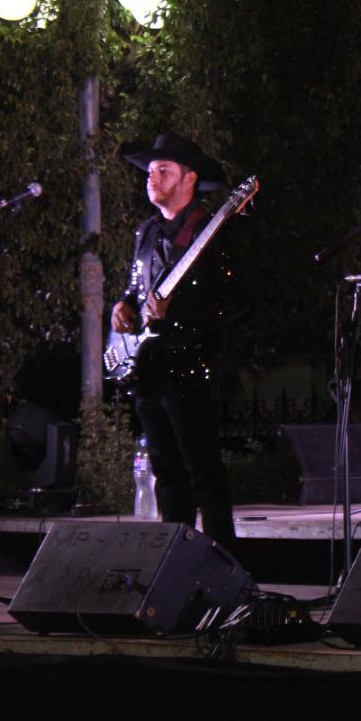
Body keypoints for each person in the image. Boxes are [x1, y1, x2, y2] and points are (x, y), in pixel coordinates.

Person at [111, 133, 241, 549]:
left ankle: (226, 568)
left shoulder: (214, 233)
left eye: (163, 170)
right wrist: (124, 307)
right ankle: (175, 564)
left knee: (204, 474)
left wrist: (179, 317)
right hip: (150, 367)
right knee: (167, 476)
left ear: (189, 179)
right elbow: (137, 286)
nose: (152, 177)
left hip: (194, 366)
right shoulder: (146, 231)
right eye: (150, 171)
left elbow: (233, 304)